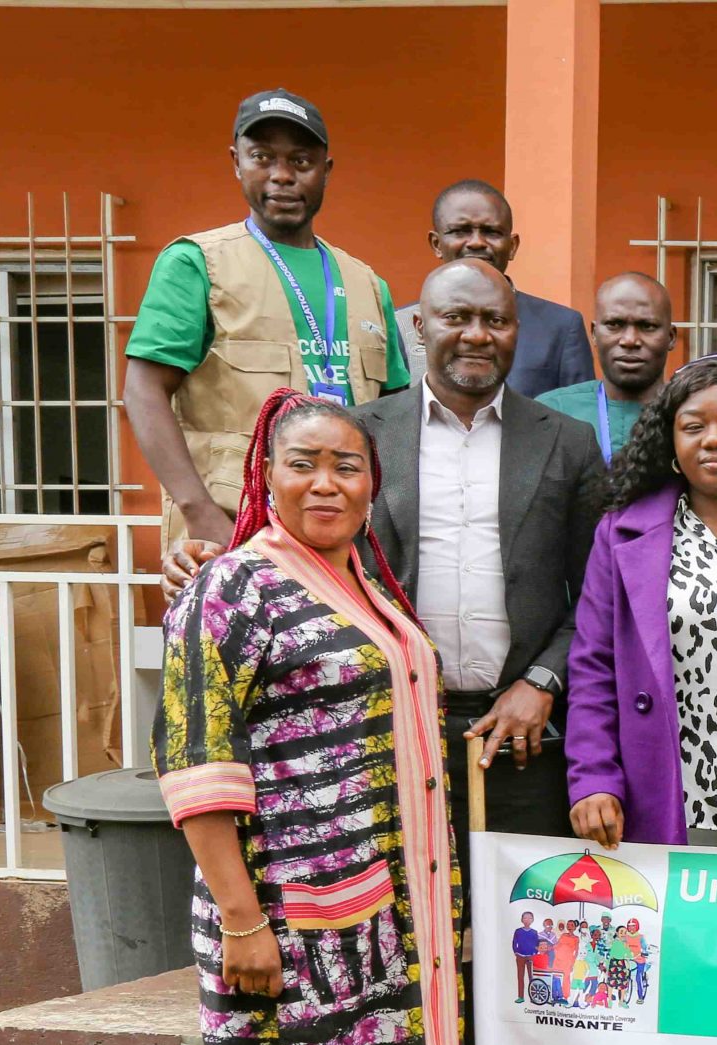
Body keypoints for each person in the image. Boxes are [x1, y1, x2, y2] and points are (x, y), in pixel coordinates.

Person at [156, 387, 476, 1045]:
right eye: (304, 463)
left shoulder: (362, 586)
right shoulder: (230, 590)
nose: (327, 482)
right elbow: (200, 772)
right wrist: (243, 921)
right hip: (289, 926)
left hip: (378, 925)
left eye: (347, 465)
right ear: (266, 473)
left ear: (372, 482)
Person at [358, 260, 607, 844]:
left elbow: (600, 590)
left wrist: (545, 680)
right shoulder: (361, 433)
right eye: (457, 317)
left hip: (523, 738)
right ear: (419, 327)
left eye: (495, 320)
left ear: (516, 331)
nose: (477, 334)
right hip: (394, 732)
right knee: (415, 928)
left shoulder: (567, 441)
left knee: (518, 924)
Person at [125, 90, 409, 550]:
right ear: (236, 162)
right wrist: (200, 515)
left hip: (345, 541)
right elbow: (143, 390)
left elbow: (394, 415)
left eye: (301, 161)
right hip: (233, 531)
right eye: (262, 158)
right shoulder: (197, 264)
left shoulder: (367, 284)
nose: (281, 176)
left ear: (326, 171)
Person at [567, 360, 717, 850]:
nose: (714, 439)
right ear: (672, 446)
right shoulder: (622, 533)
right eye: (694, 427)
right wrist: (593, 779)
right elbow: (592, 666)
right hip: (661, 792)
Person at [391, 181, 592, 399]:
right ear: (436, 244)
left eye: (491, 232)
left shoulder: (560, 326)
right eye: (460, 231)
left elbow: (579, 413)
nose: (476, 242)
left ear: (513, 246)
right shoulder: (400, 325)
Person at [539, 273, 679, 465]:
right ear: (594, 334)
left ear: (671, 337)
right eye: (614, 325)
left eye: (647, 326)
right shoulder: (551, 411)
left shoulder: (690, 413)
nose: (630, 340)